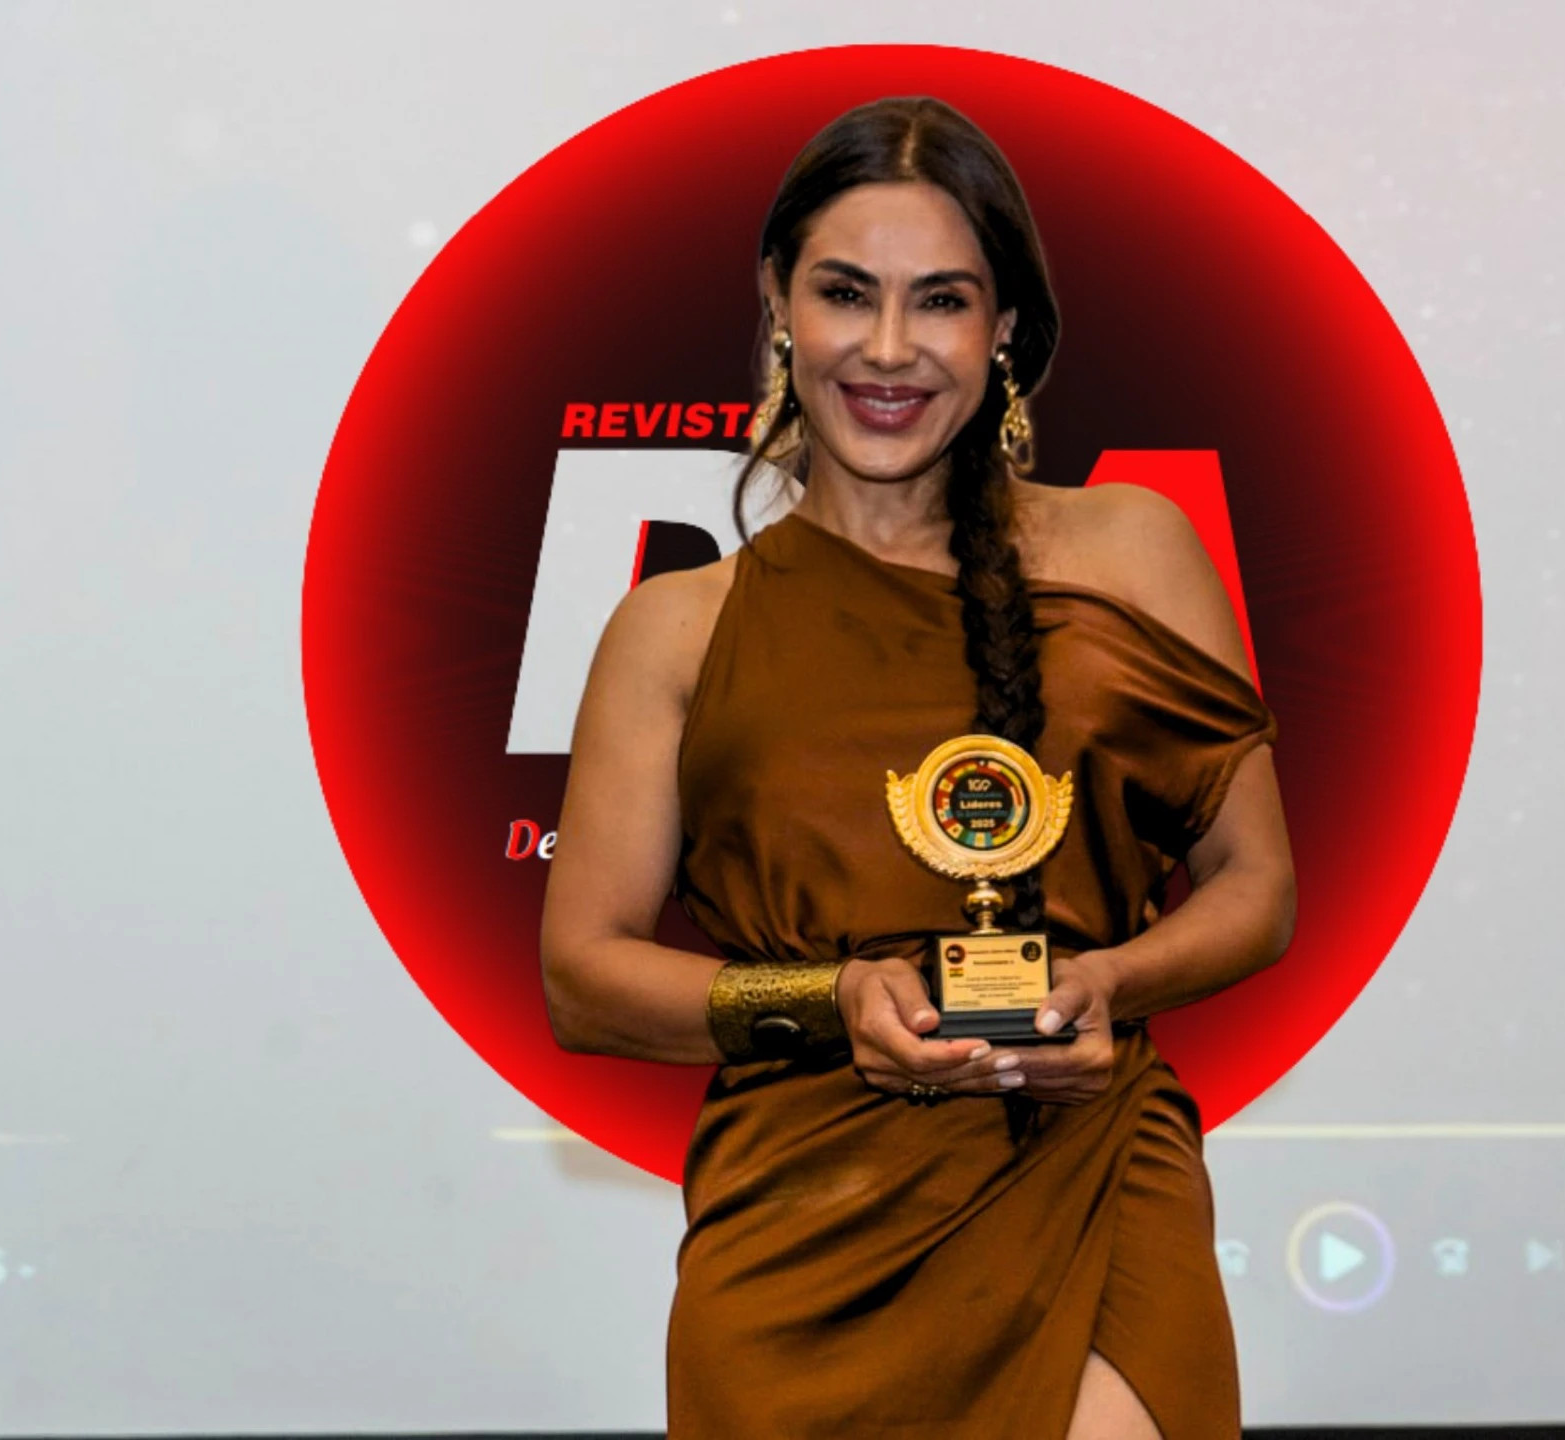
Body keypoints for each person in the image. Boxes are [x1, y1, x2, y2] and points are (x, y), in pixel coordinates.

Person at [539, 94, 1295, 1440]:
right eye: (846, 292)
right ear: (779, 302)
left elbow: (1257, 885)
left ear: (1002, 328)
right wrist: (835, 999)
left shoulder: (1134, 549)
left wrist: (1108, 983)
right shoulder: (675, 628)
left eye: (941, 300)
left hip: (1086, 1169)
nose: (888, 347)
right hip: (800, 1237)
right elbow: (583, 976)